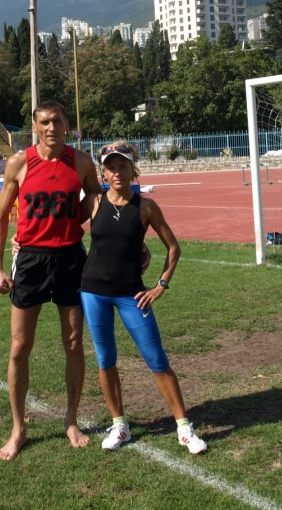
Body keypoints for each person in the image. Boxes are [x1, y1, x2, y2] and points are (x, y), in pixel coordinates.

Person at [0, 100, 102, 461]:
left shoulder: (81, 162)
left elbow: (96, 201)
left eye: (57, 121)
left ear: (67, 125)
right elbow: (1, 216)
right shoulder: (18, 163)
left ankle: (71, 420)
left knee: (74, 342)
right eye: (45, 122)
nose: (51, 127)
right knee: (19, 347)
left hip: (70, 258)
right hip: (30, 261)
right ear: (35, 127)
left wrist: (75, 219)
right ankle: (18, 429)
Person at [82, 142, 207, 455]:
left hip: (132, 295)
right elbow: (60, 228)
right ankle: (119, 425)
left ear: (133, 170)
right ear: (103, 173)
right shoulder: (93, 202)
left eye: (123, 166)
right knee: (105, 359)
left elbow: (174, 247)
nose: (117, 172)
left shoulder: (145, 206)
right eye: (111, 167)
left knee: (157, 360)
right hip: (93, 292)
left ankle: (184, 428)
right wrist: (21, 241)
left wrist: (160, 285)